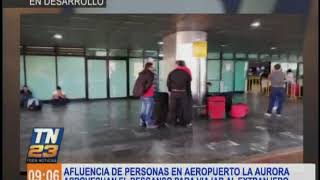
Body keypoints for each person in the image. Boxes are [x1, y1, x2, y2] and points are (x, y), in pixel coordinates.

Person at [167, 60, 192, 128]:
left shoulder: (171, 73)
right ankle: (185, 123)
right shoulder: (187, 73)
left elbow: (168, 84)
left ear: (177, 65)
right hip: (183, 93)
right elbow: (188, 85)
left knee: (173, 108)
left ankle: (173, 122)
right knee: (184, 108)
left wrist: (171, 90)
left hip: (174, 93)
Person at [134, 62, 158, 129]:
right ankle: (148, 123)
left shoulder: (142, 73)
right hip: (148, 94)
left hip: (142, 94)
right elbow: (149, 84)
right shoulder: (150, 74)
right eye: (152, 66)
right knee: (149, 109)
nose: (153, 67)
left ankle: (142, 122)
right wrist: (145, 90)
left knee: (143, 108)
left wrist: (142, 91)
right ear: (149, 67)